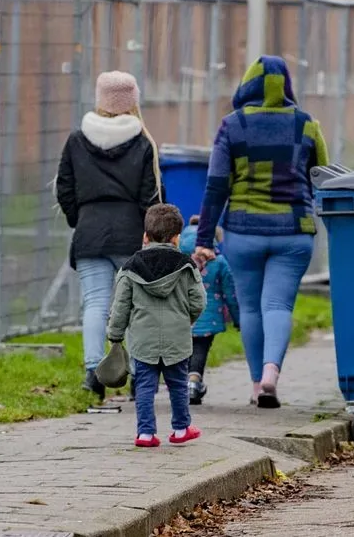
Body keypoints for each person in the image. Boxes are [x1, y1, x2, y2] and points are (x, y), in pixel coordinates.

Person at [192, 55, 329, 409]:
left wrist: (205, 239)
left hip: (243, 232)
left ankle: (256, 386)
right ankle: (272, 373)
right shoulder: (308, 124)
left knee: (251, 308)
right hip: (294, 231)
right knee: (278, 304)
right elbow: (323, 177)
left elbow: (216, 186)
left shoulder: (231, 126)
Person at [56, 71, 161, 402]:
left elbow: (65, 188)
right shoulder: (143, 142)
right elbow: (151, 195)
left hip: (89, 232)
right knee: (135, 305)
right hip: (130, 233)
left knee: (96, 303)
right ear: (133, 102)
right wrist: (151, 234)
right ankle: (136, 373)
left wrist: (79, 218)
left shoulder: (77, 139)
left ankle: (92, 372)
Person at [106, 204, 206, 448]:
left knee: (144, 387)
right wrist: (186, 320)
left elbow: (120, 306)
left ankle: (145, 434)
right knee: (178, 385)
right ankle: (181, 429)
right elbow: (199, 301)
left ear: (145, 236)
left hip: (143, 340)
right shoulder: (186, 265)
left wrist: (115, 335)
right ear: (176, 238)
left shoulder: (131, 267)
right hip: (177, 338)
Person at [179, 216, 240, 405]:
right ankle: (194, 383)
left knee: (182, 352)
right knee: (200, 351)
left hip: (180, 316)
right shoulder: (219, 262)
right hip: (208, 317)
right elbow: (231, 294)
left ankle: (180, 385)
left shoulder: (176, 259)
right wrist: (238, 319)